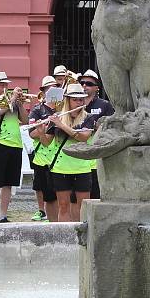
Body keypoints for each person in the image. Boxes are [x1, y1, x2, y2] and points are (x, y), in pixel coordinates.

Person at [39, 83, 96, 222]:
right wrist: (41, 132)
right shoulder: (58, 117)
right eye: (75, 99)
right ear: (67, 100)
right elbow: (47, 142)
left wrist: (61, 125)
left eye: (81, 100)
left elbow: (83, 138)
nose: (79, 102)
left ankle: (83, 235)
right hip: (61, 168)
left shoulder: (88, 118)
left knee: (83, 206)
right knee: (63, 206)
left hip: (81, 167)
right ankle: (65, 237)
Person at [0, 71, 29, 223]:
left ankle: (3, 215)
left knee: (8, 182)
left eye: (6, 85)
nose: (5, 87)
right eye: (2, 85)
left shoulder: (11, 100)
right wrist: (13, 99)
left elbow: (25, 120)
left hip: (15, 143)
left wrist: (20, 103)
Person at [27, 76, 60, 222]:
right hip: (43, 158)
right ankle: (46, 215)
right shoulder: (37, 110)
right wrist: (42, 130)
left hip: (61, 156)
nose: (52, 91)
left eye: (55, 88)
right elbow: (31, 133)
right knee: (48, 193)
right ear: (44, 91)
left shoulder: (64, 107)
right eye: (49, 88)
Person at [80, 69, 115, 199]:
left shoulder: (104, 105)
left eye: (88, 83)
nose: (84, 86)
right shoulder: (74, 102)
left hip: (97, 155)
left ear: (96, 88)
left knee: (95, 194)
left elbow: (112, 127)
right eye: (82, 82)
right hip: (79, 153)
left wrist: (97, 126)